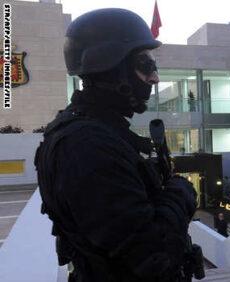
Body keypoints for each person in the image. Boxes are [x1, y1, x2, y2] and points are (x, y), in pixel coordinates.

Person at [35, 8, 197, 282]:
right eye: (145, 64)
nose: (154, 77)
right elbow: (155, 256)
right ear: (111, 67)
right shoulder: (87, 146)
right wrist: (181, 192)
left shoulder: (93, 132)